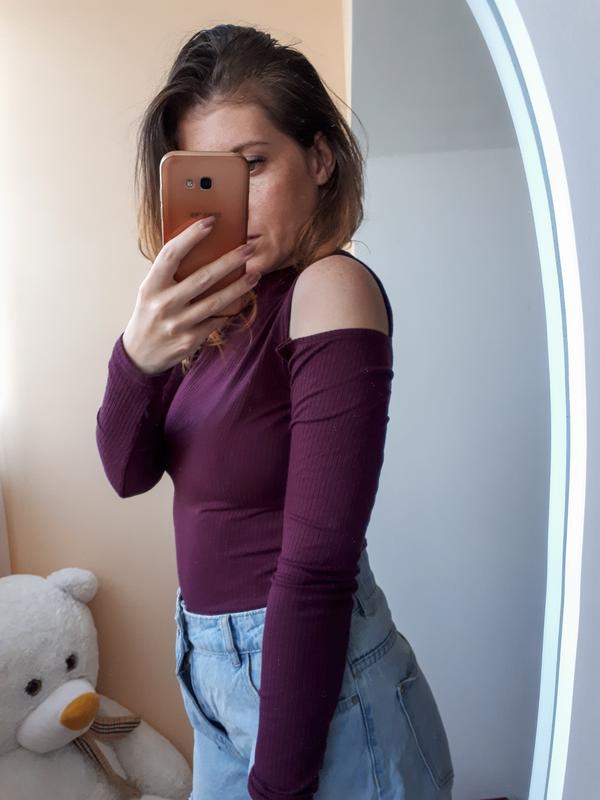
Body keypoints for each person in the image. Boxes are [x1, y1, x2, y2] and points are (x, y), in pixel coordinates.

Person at [96, 23, 454, 800]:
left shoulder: (329, 288)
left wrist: (281, 784)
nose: (233, 201)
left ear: (319, 159)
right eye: (209, 176)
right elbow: (126, 471)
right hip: (216, 676)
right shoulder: (213, 316)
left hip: (316, 691)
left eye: (253, 164)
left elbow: (319, 564)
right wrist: (137, 352)